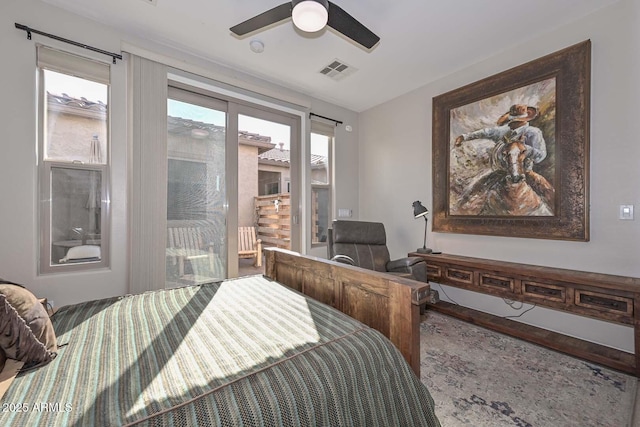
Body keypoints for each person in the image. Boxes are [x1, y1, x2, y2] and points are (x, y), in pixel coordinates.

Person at [454, 104, 546, 171]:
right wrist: (464, 137)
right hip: (499, 171)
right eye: (510, 121)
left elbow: (540, 156)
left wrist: (525, 149)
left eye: (512, 121)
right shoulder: (504, 130)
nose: (509, 123)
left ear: (522, 121)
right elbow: (485, 132)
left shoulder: (533, 132)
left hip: (523, 172)